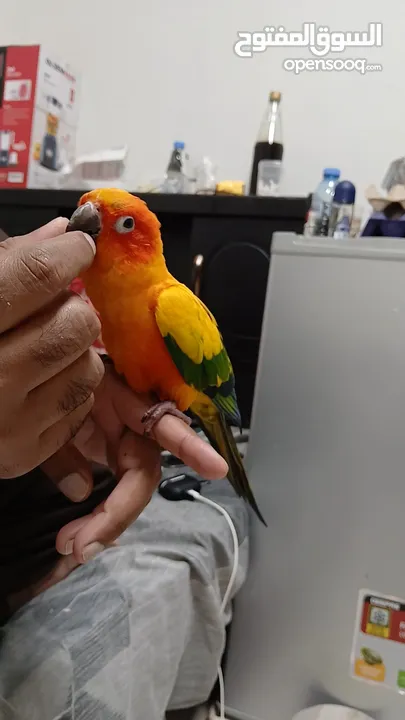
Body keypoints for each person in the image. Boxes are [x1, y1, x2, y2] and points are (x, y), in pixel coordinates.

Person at [0, 216, 229, 622]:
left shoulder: (171, 301)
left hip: (180, 399)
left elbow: (206, 383)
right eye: (88, 211)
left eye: (122, 223)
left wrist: (85, 376)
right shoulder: (100, 293)